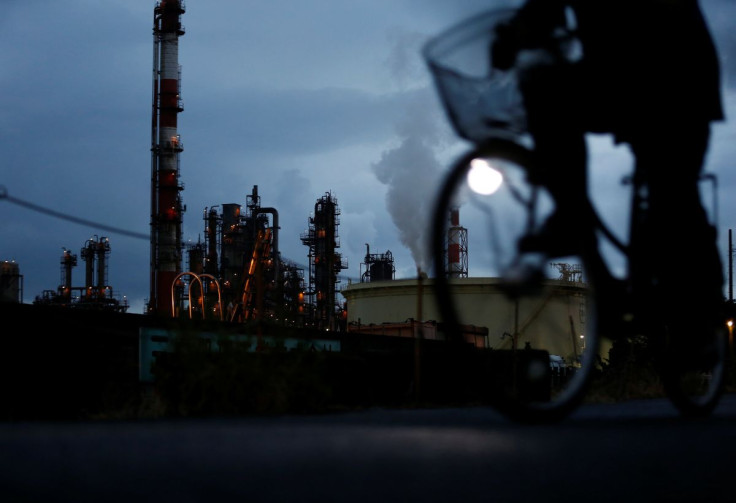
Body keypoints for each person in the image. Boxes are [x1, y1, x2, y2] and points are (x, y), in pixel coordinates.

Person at [491, 0, 725, 334]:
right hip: (627, 74)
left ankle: (704, 314)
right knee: (548, 92)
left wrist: (514, 36)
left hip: (677, 79)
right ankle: (582, 234)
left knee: (672, 191)